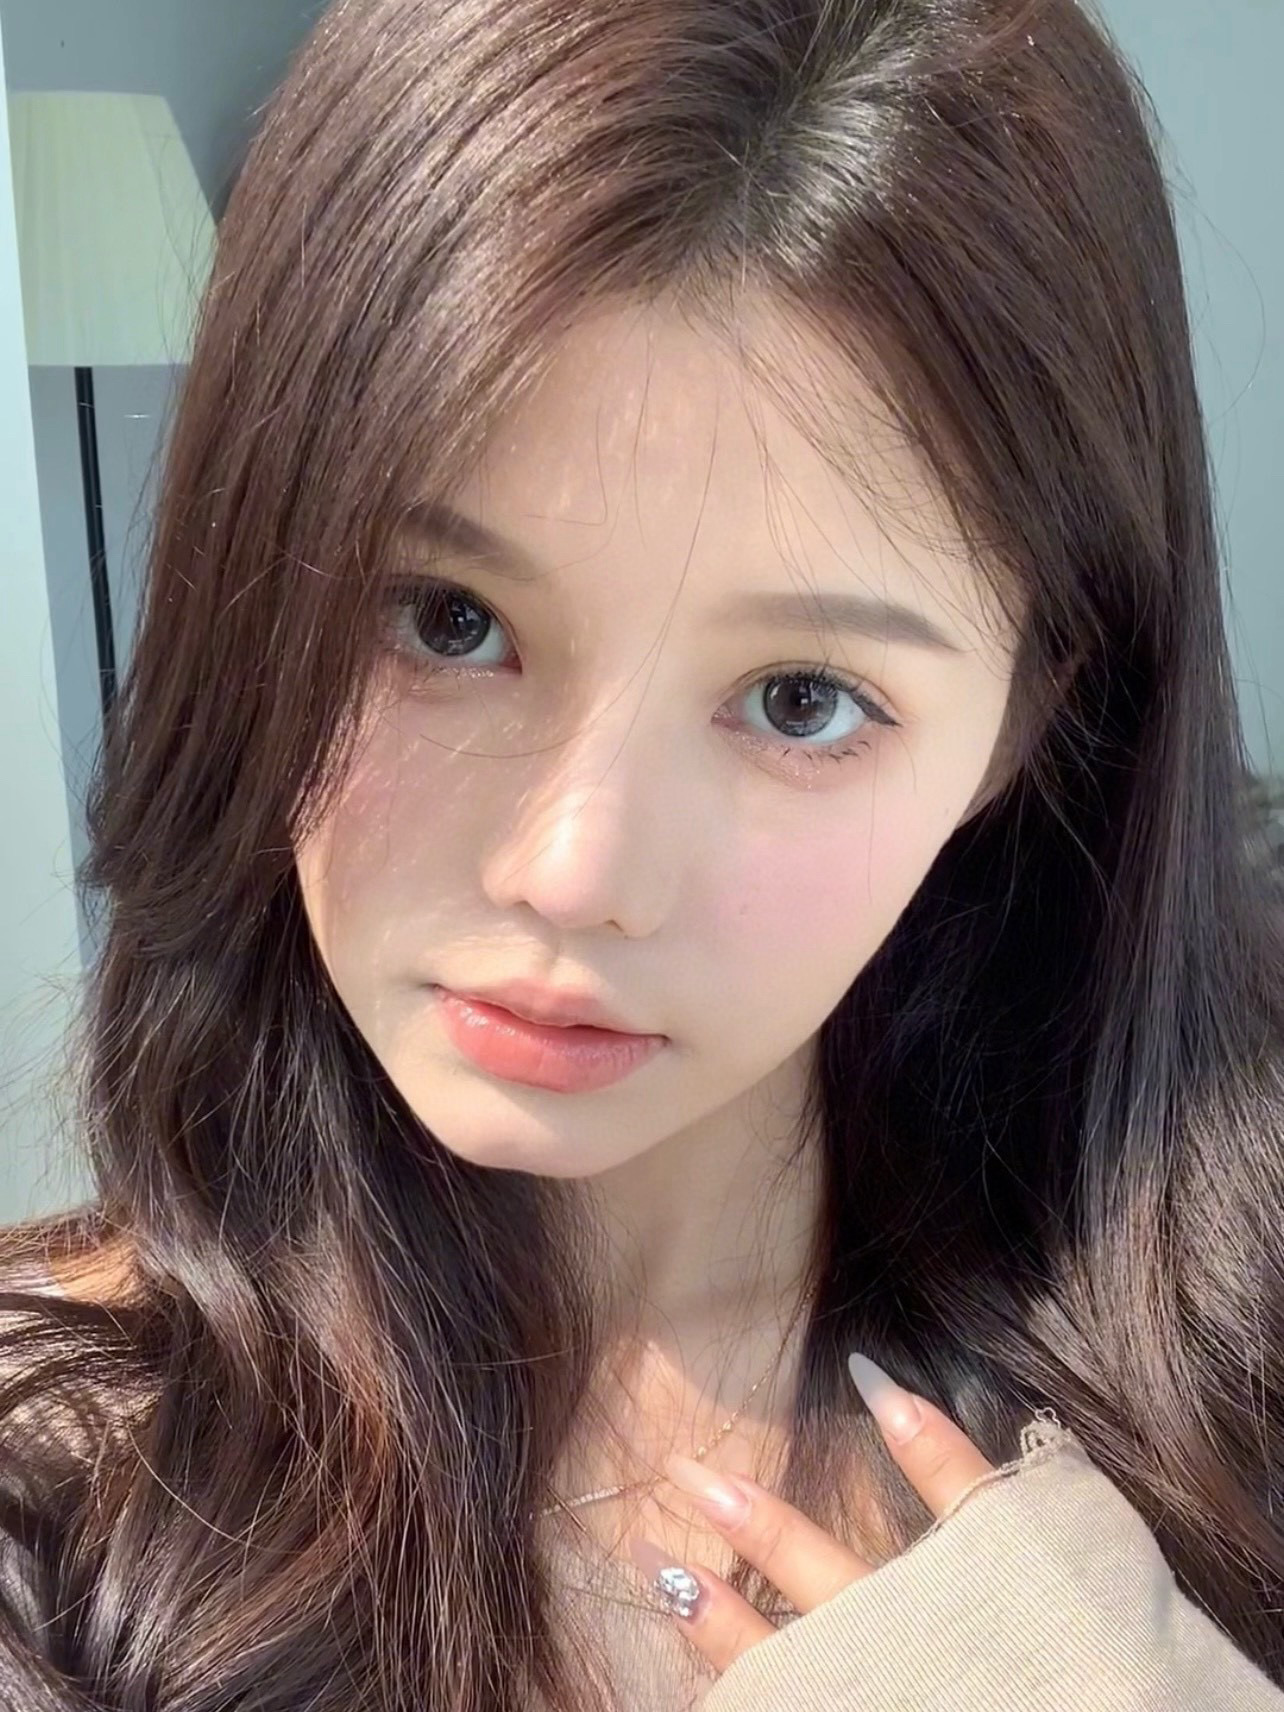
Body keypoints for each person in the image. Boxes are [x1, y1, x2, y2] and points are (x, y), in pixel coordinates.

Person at [1, 0, 1282, 1706]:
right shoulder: (55, 1481)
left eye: (803, 701)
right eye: (447, 620)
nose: (573, 870)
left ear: (1021, 725)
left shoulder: (1233, 1394)